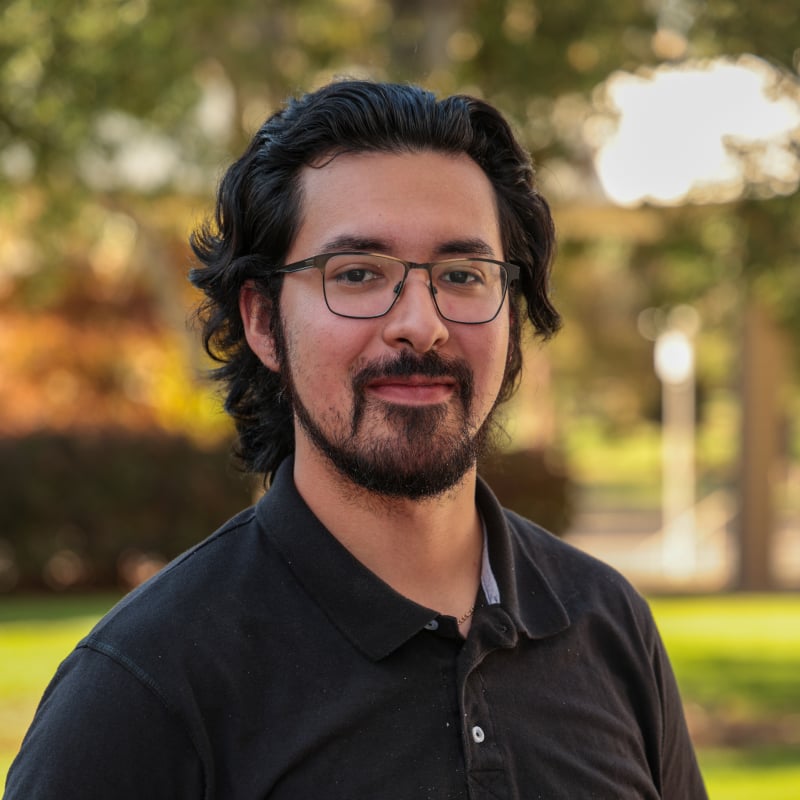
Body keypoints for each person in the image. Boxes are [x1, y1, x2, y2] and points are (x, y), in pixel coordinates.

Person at [4, 80, 707, 799]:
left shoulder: (608, 625)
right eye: (359, 274)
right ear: (263, 321)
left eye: (462, 274)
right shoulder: (145, 689)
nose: (420, 324)